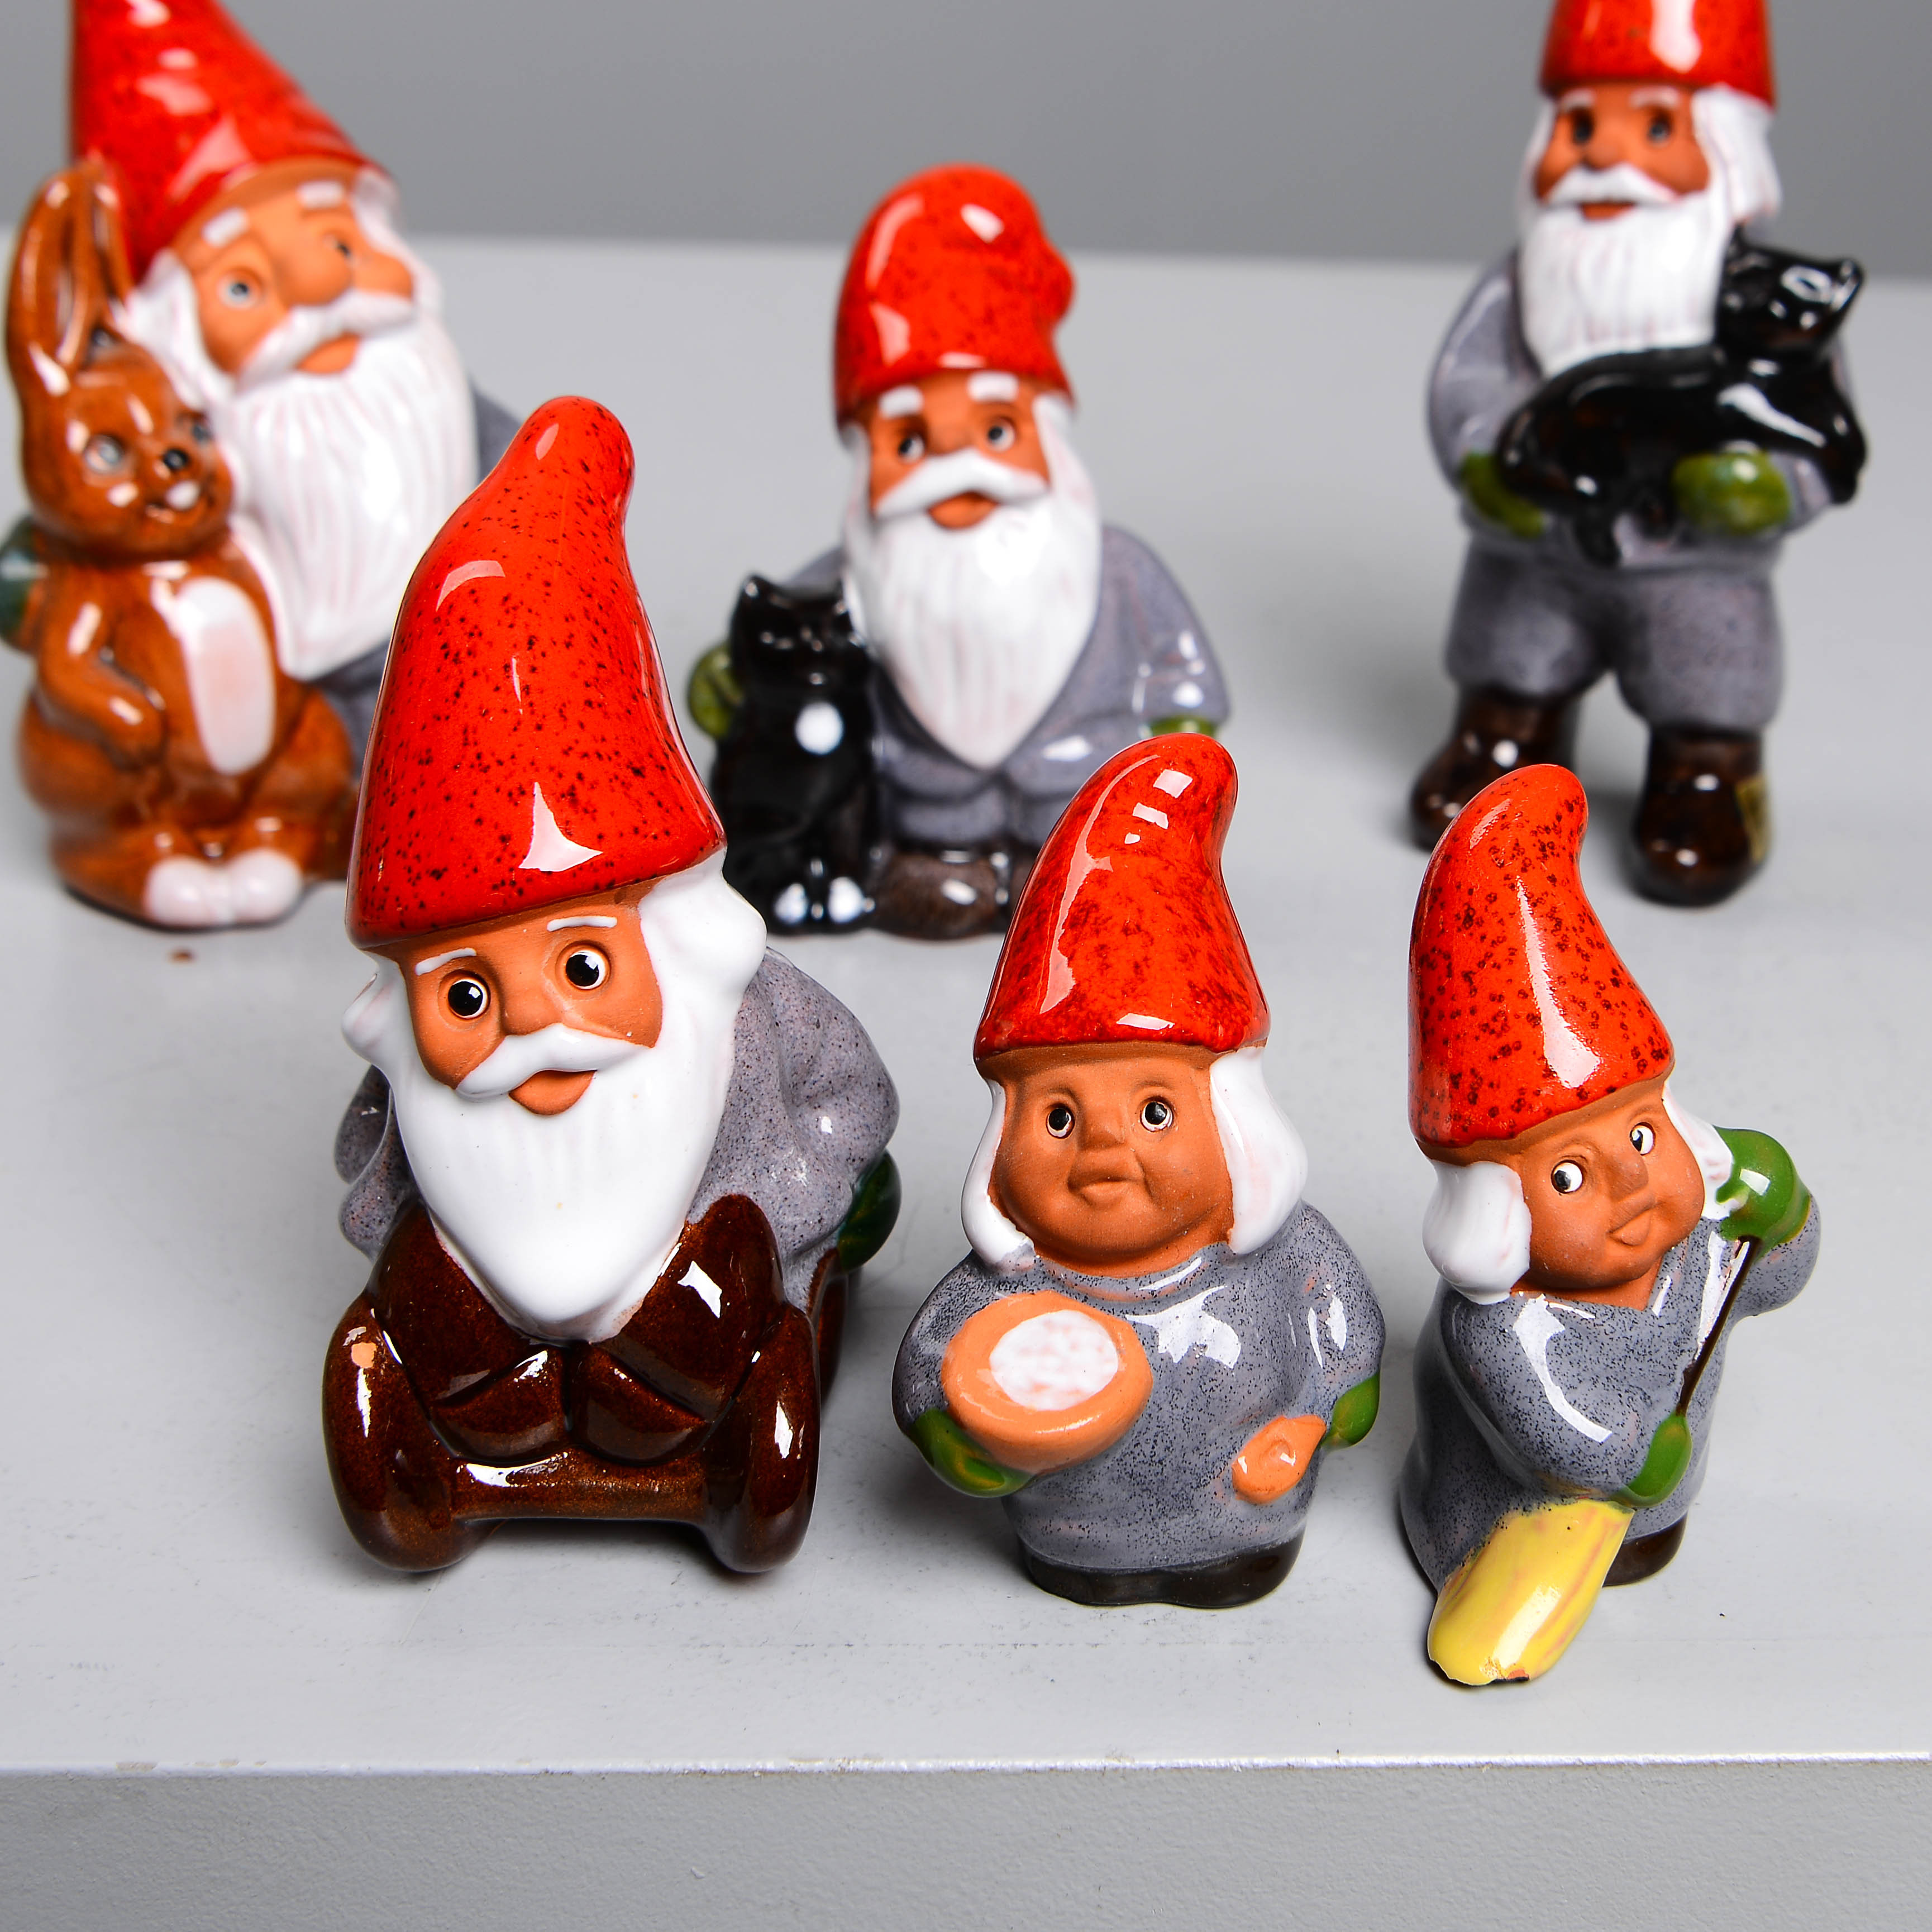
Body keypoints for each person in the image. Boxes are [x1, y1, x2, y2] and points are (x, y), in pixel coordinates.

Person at [323, 397, 898, 1574]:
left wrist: (797, 1206)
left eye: (582, 967)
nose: (530, 1023)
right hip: (484, 1352)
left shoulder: (747, 1017)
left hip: (698, 1320)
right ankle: (445, 1450)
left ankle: (719, 1453)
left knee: (720, 1288)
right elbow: (368, 1168)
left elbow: (853, 1101)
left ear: (669, 937)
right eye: (467, 995)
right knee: (423, 1299)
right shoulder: (427, 1097)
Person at [894, 732, 1381, 1608]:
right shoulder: (1006, 1290)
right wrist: (965, 1441)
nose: (1104, 1150)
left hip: (1246, 1513)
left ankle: (1230, 1557)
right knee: (1083, 1570)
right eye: (1059, 1116)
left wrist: (1314, 1421)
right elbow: (929, 1377)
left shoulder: (1284, 1251)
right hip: (1073, 1530)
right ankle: (1093, 1564)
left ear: (1234, 1126)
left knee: (1238, 1571)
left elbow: (1347, 1343)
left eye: (1156, 1111)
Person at [695, 165, 1229, 938]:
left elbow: (1187, 687)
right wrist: (734, 677)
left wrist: (1177, 758)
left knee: (1089, 894)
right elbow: (770, 643)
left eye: (996, 431)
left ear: (1048, 437)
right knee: (934, 895)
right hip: (925, 824)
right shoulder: (858, 582)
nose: (957, 467)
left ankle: (1068, 882)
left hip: (1090, 819)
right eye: (910, 443)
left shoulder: (1119, 571)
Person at [1409, 0, 1862, 904]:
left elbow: (1813, 419)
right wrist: (1483, 459)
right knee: (1513, 653)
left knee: (1709, 676)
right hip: (1539, 552)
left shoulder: (1761, 302)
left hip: (1692, 569)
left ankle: (1710, 779)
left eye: (1654, 128)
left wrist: (1769, 488)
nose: (1605, 155)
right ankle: (1503, 740)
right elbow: (1468, 381)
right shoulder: (1522, 282)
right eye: (1581, 127)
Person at [1401, 764, 1817, 1683]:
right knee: (1551, 1523)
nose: (1631, 1181)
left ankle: (1647, 1530)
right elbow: (1554, 1434)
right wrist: (1621, 1459)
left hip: (1655, 1497)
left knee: (1647, 1525)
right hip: (1517, 1509)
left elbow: (1772, 1281)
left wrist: (1786, 1221)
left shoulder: (1692, 1247)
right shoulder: (1501, 1326)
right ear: (1499, 1204)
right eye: (1568, 1173)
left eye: (1640, 1134)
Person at [71, 0, 515, 758]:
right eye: (243, 286)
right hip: (293, 747)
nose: (319, 287)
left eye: (340, 246)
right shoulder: (178, 487)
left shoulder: (488, 443)